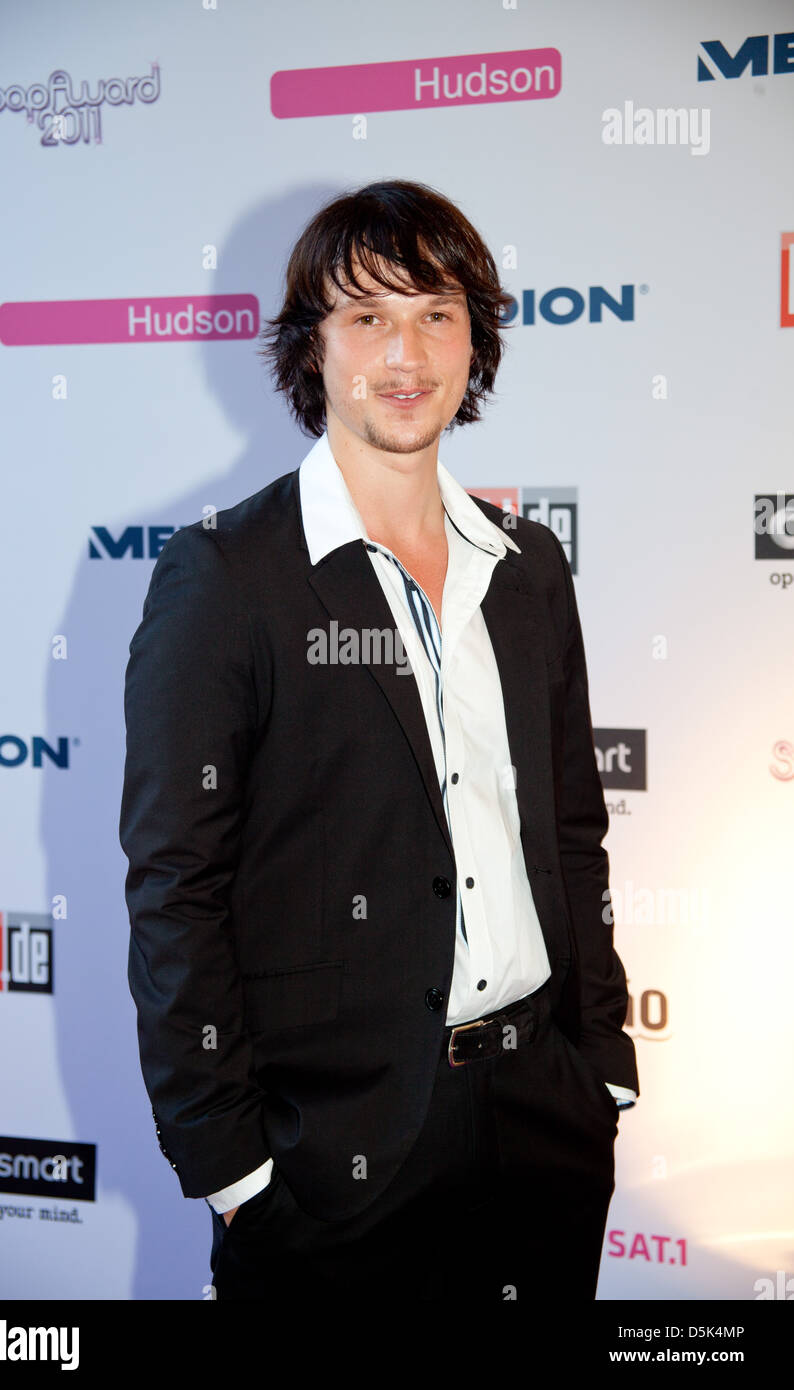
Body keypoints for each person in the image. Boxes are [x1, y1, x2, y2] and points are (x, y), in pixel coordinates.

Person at [119, 179, 639, 1302]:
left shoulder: (527, 566)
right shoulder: (224, 577)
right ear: (312, 349)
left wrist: (600, 1067)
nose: (403, 352)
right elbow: (176, 885)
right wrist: (231, 1163)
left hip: (542, 1122)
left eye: (435, 313)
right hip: (332, 1159)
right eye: (365, 317)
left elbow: (569, 828)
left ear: (476, 342)